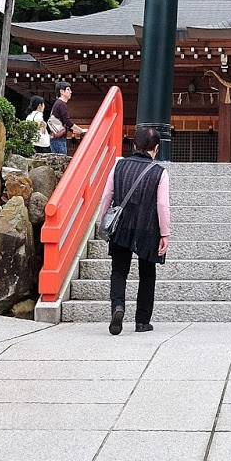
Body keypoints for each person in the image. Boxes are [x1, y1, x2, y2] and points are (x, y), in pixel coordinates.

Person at [98, 125, 169, 335]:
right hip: (148, 228)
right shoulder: (159, 172)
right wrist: (165, 233)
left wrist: (104, 222)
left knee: (119, 271)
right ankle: (142, 321)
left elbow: (107, 196)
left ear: (134, 144)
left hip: (121, 226)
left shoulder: (119, 166)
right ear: (156, 148)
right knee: (147, 274)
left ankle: (117, 307)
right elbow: (163, 205)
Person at [48, 81, 81, 155]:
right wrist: (80, 130)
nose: (71, 92)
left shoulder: (58, 103)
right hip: (59, 140)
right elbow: (67, 121)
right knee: (61, 162)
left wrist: (75, 130)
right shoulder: (61, 104)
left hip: (55, 138)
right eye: (68, 89)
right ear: (62, 91)